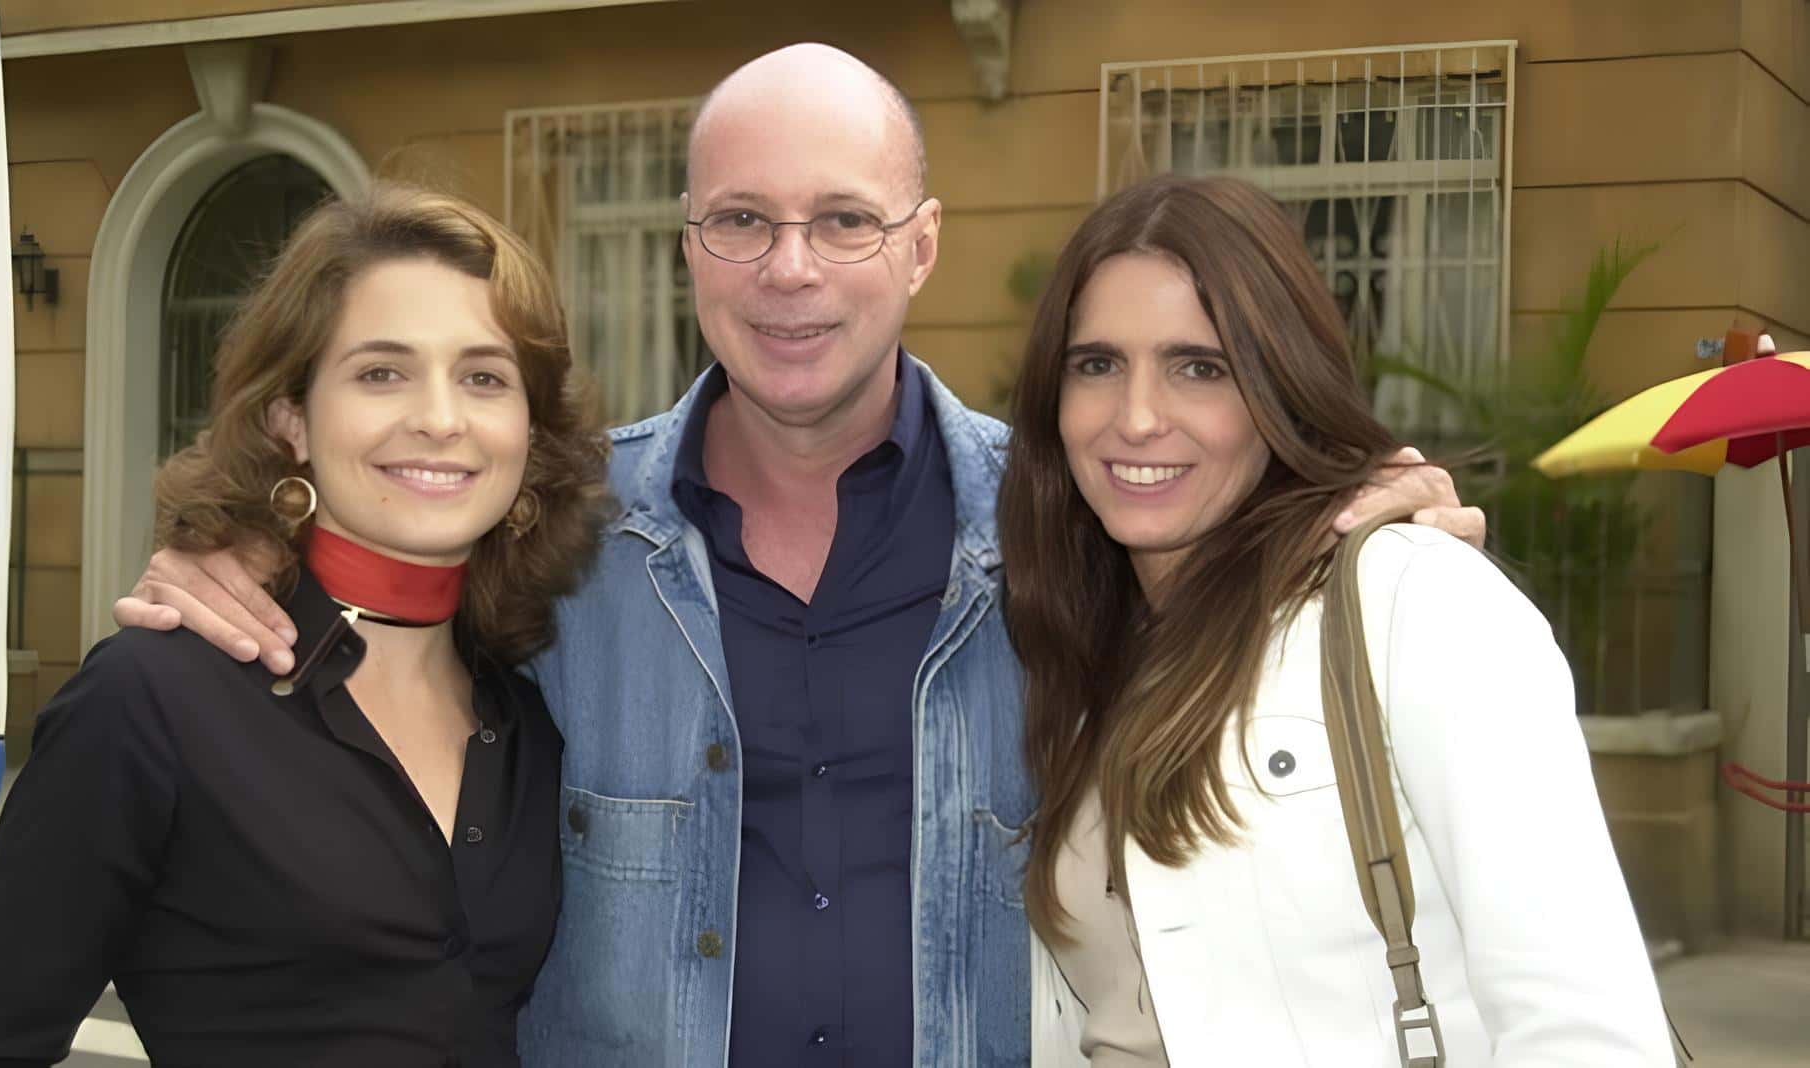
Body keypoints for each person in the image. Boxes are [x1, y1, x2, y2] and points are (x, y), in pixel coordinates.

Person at [109, 46, 1484, 1067]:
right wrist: (238, 554)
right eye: (743, 221)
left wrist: (1360, 526)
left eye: (843, 219)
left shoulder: (1076, 527)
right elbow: (374, 547)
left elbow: (1248, 562)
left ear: (921, 246)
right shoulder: (553, 534)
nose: (790, 268)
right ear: (689, 244)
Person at [0, 183, 611, 1067]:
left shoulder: (534, 707)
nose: (440, 419)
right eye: (380, 372)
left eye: (483, 376)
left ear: (529, 430)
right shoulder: (149, 700)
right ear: (292, 421)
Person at [1002, 174, 1670, 1066]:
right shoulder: (1068, 644)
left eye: (1200, 367)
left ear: (1281, 384)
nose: (1138, 417)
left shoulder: (1420, 606)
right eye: (1098, 365)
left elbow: (1587, 1037)